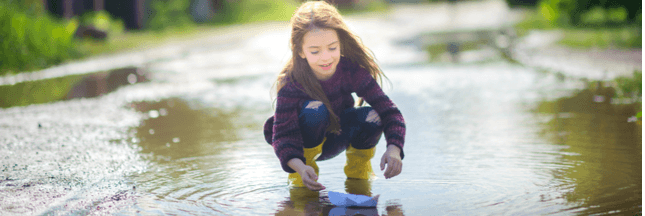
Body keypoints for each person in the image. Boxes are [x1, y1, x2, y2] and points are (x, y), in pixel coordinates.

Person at [263, 1, 405, 191]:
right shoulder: (291, 83)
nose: (326, 57)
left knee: (373, 115)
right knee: (315, 110)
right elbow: (282, 137)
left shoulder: (351, 70)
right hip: (304, 147)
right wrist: (300, 168)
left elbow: (391, 113)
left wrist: (394, 149)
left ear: (340, 43)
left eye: (332, 48)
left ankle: (359, 178)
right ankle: (303, 181)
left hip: (338, 135)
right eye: (315, 51)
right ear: (300, 51)